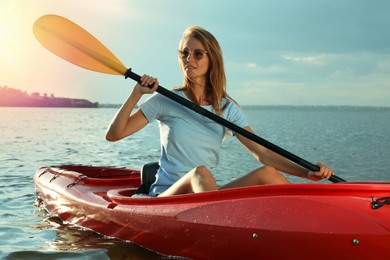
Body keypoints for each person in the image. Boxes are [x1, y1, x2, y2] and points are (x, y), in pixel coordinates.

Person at [106, 26, 334, 197]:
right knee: (200, 173)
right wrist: (136, 93)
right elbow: (114, 135)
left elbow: (263, 153)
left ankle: (309, 223)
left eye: (197, 54)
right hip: (166, 197)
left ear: (211, 59)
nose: (189, 60)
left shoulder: (226, 108)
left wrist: (308, 173)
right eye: (185, 53)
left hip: (204, 196)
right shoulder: (166, 100)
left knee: (268, 174)